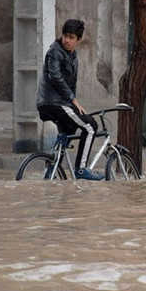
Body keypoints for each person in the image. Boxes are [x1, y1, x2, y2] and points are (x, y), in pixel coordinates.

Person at [36, 19, 104, 181]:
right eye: (65, 36)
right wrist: (73, 101)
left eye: (71, 37)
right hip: (53, 103)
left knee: (69, 131)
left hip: (59, 103)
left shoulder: (73, 56)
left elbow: (71, 84)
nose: (67, 40)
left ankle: (51, 171)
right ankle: (81, 169)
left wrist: (75, 106)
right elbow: (56, 77)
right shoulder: (55, 52)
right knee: (91, 126)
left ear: (78, 40)